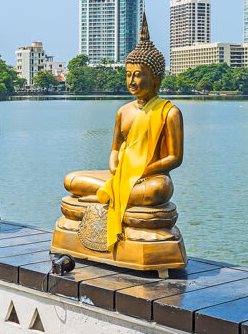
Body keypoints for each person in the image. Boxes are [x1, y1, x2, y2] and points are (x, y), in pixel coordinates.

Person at [63, 14, 183, 249]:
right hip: (122, 175)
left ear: (156, 78)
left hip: (150, 177)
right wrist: (115, 166)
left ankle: (101, 197)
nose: (132, 81)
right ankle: (109, 194)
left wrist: (144, 170)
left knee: (159, 191)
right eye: (128, 75)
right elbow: (116, 148)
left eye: (138, 75)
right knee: (71, 180)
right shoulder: (123, 111)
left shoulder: (170, 113)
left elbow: (174, 158)